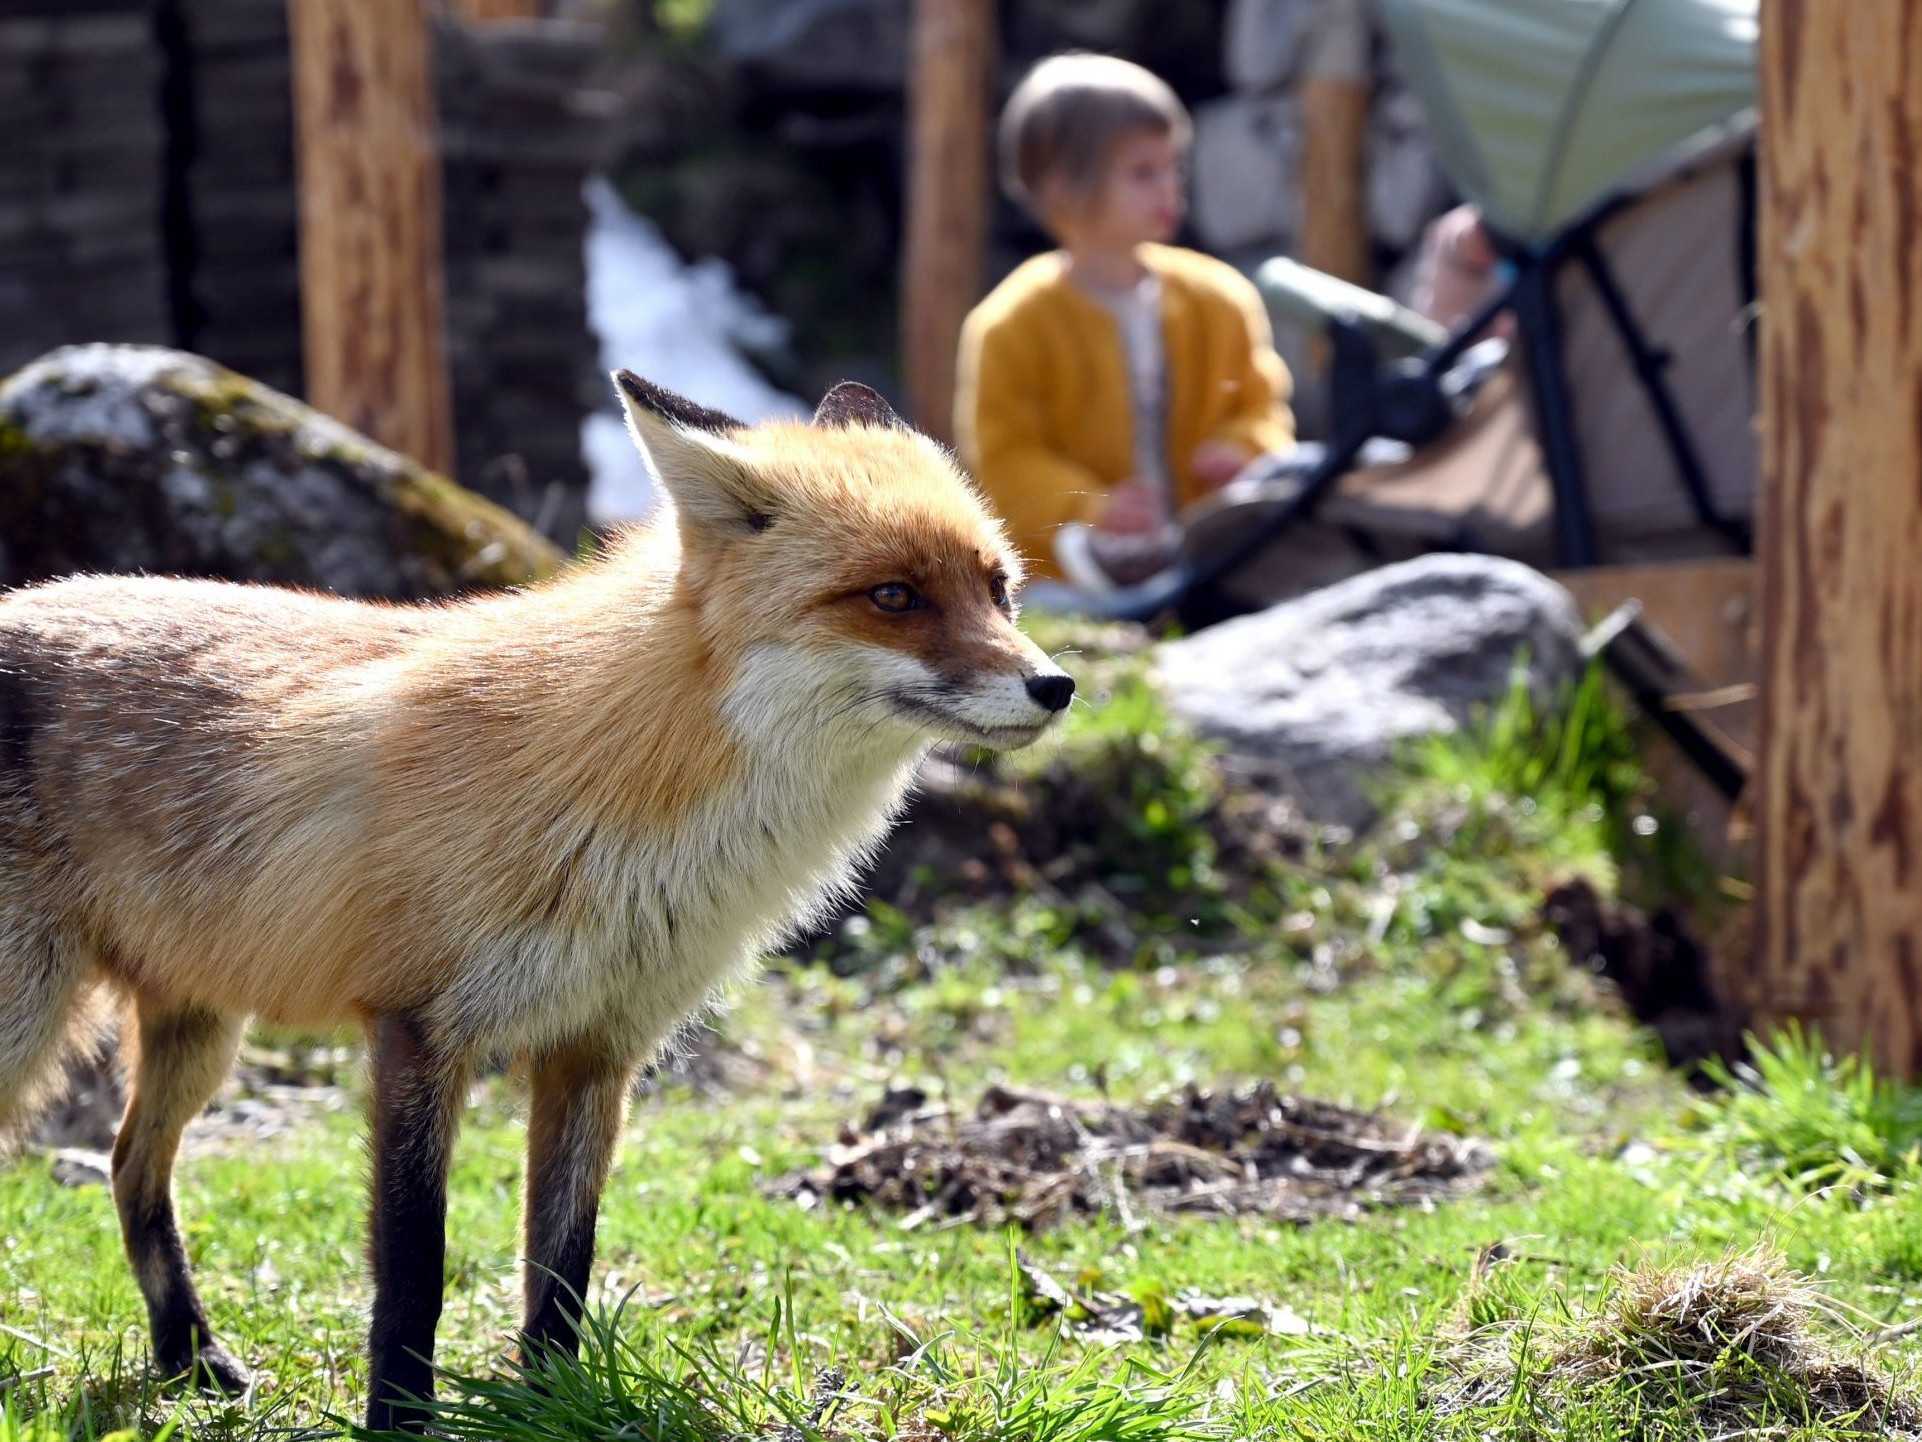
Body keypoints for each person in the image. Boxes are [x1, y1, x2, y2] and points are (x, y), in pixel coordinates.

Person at [953, 53, 1297, 592]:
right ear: (1063, 187)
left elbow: (1262, 406)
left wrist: (1243, 447)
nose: (1169, 189)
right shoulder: (1009, 324)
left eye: (1173, 167)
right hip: (1075, 568)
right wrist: (1092, 506)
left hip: (1222, 541)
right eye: (1143, 172)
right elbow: (1006, 461)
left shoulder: (1220, 297)